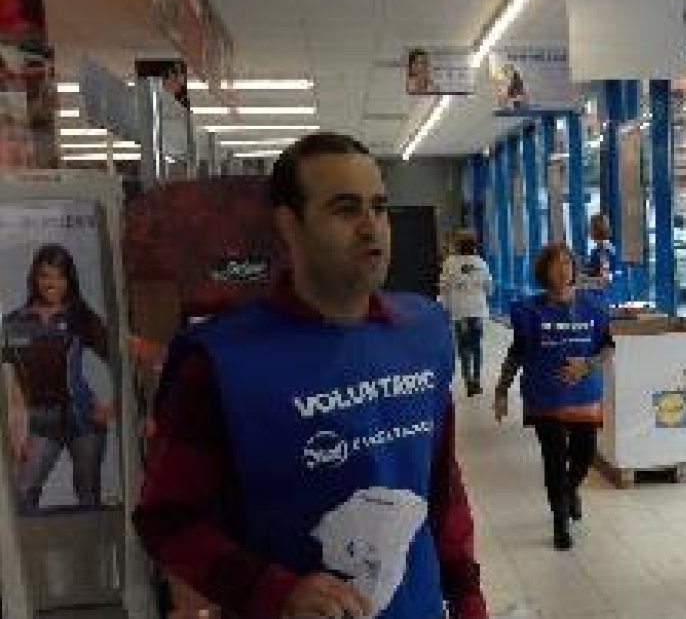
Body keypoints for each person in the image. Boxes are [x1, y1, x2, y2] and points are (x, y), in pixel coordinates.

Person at [133, 133, 487, 619]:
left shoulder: (423, 332)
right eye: (345, 209)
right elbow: (167, 519)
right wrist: (272, 591)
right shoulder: (221, 363)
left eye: (379, 207)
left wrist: (467, 598)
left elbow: (441, 485)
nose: (372, 228)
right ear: (288, 226)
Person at [493, 242, 614, 551]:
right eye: (555, 264)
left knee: (584, 454)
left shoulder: (594, 306)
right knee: (554, 457)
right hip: (544, 395)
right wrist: (502, 390)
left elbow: (608, 347)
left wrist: (587, 364)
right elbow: (517, 352)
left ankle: (570, 489)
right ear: (544, 272)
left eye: (568, 264)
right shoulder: (529, 311)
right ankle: (560, 520)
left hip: (584, 394)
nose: (563, 270)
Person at [3, 243, 112, 513]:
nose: (52, 283)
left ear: (69, 280)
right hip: (39, 421)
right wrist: (17, 430)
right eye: (45, 275)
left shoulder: (81, 317)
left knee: (89, 500)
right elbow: (11, 383)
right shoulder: (14, 321)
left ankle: (90, 554)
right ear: (35, 278)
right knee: (22, 497)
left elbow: (119, 357)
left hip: (83, 417)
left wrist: (112, 404)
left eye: (60, 276)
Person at [439, 229, 493, 397]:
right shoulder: (481, 263)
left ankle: (468, 381)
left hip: (459, 311)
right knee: (476, 346)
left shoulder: (449, 263)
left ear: (457, 245)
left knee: (463, 348)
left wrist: (446, 307)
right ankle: (477, 381)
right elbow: (489, 288)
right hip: (477, 309)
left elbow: (444, 287)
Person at [580, 213, 617, 294]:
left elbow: (604, 280)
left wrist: (581, 283)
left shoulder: (604, 250)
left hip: (600, 295)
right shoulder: (599, 249)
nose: (588, 230)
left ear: (597, 229)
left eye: (590, 227)